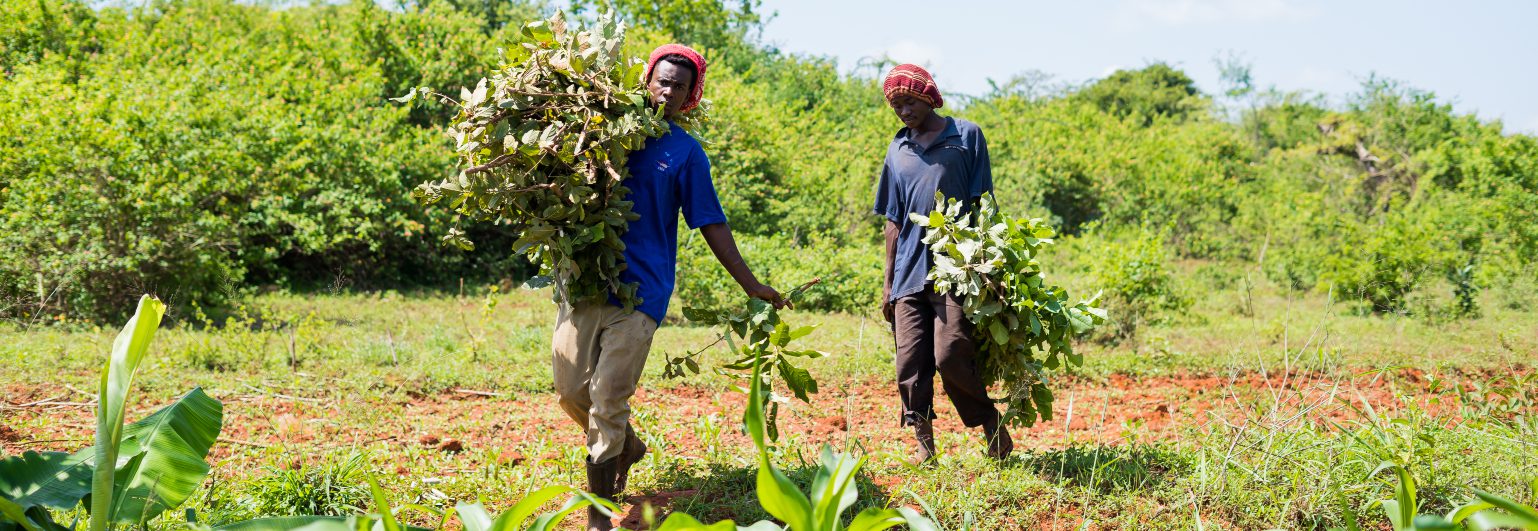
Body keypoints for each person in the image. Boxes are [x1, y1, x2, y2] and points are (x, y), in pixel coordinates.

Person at [551, 44, 784, 531]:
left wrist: (751, 284)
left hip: (643, 291)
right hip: (586, 282)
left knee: (608, 396)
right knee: (572, 392)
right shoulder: (598, 128)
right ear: (646, 80)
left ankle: (600, 512)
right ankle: (627, 447)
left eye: (679, 86)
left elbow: (710, 223)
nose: (668, 91)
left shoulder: (685, 153)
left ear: (690, 96)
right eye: (662, 80)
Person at [873, 63, 1013, 464]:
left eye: (910, 102)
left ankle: (990, 423)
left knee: (951, 354)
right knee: (909, 363)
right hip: (907, 273)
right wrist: (887, 285)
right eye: (896, 105)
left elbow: (983, 203)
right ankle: (923, 444)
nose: (904, 112)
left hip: (956, 267)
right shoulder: (898, 148)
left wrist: (992, 264)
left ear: (929, 96)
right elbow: (892, 222)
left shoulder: (965, 136)